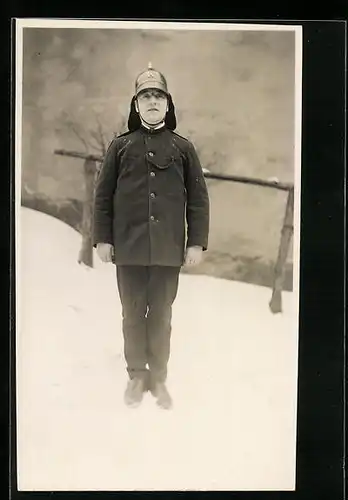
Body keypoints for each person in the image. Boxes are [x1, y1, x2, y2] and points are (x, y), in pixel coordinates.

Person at [93, 63, 210, 410]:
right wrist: (103, 238)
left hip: (167, 248)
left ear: (168, 104)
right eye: (146, 96)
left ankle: (158, 378)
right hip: (127, 248)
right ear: (136, 104)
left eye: (159, 96)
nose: (153, 102)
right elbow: (102, 197)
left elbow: (199, 199)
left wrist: (195, 242)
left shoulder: (184, 148)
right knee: (132, 313)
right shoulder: (119, 147)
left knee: (161, 314)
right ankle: (136, 376)